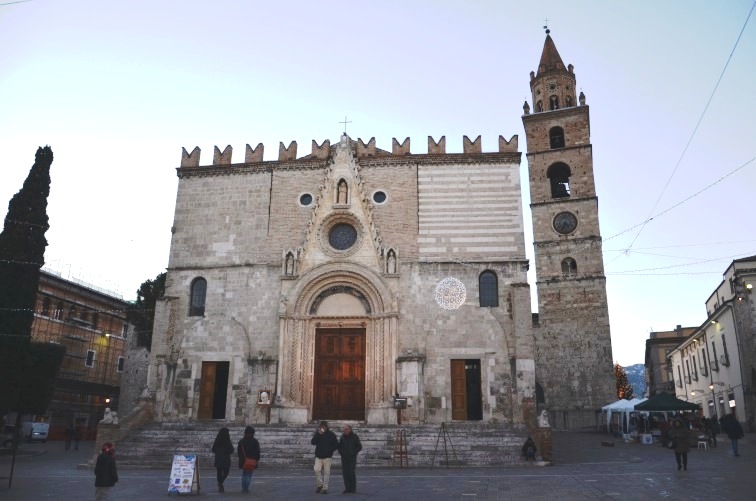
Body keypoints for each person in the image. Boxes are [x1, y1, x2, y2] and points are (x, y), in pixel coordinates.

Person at [311, 420, 338, 494]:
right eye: (321, 427)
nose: (323, 428)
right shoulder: (318, 434)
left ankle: (325, 488)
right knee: (316, 470)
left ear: (326, 427)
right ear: (320, 427)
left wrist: (330, 450)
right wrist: (319, 434)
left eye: (324, 427)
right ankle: (320, 485)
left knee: (326, 473)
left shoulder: (331, 434)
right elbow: (313, 442)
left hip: (327, 456)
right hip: (318, 456)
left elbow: (336, 444)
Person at [337, 424, 362, 494]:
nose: (345, 430)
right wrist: (342, 453)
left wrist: (353, 453)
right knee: (345, 473)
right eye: (344, 429)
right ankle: (347, 488)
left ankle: (353, 488)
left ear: (350, 429)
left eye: (346, 429)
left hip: (352, 458)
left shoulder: (355, 437)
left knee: (351, 472)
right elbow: (339, 447)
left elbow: (359, 447)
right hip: (344, 458)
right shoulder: (342, 437)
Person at [237, 426, 260, 493]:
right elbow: (257, 452)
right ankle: (245, 488)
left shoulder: (241, 441)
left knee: (244, 474)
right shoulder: (255, 441)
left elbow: (239, 451)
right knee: (249, 474)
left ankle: (244, 488)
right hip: (252, 460)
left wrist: (241, 459)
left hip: (244, 460)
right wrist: (257, 459)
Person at [212, 427, 234, 493]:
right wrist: (226, 452)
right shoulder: (227, 440)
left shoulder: (217, 440)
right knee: (226, 472)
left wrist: (218, 452)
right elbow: (231, 450)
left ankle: (220, 484)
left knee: (219, 472)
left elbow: (213, 449)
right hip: (225, 459)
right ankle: (220, 483)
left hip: (218, 458)